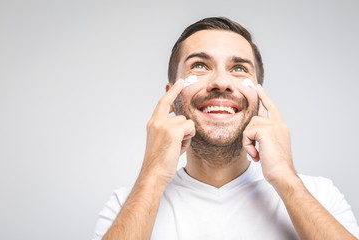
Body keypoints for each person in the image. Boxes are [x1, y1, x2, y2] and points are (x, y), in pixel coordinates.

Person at [92, 17, 359, 240]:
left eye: (239, 68)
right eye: (199, 65)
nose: (221, 81)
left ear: (260, 97)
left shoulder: (320, 195)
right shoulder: (127, 204)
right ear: (172, 98)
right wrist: (151, 176)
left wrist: (286, 179)